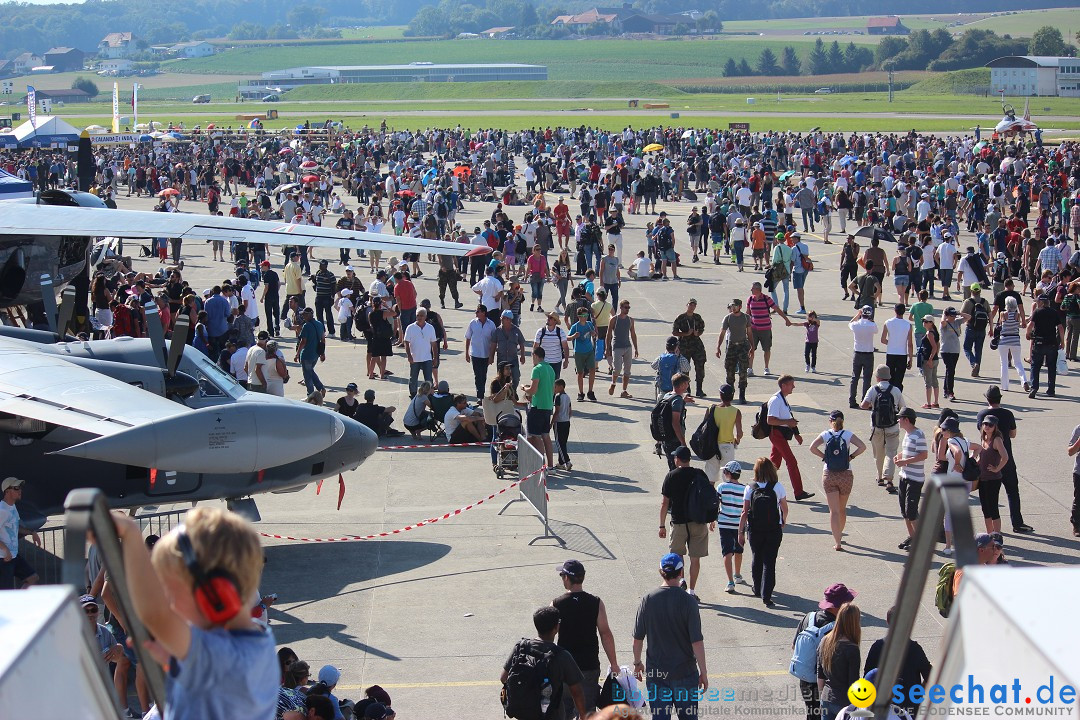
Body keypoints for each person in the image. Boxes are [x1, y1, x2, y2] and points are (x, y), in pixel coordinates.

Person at [111, 507, 278, 719]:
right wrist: (174, 660)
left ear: (215, 592)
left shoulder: (225, 654)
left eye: (171, 593)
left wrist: (131, 535)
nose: (169, 604)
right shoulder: (254, 641)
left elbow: (154, 614)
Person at [631, 553, 708, 720]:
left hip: (657, 675)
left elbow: (638, 639)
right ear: (681, 573)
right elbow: (697, 642)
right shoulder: (689, 601)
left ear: (660, 571)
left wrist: (637, 663)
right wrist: (703, 672)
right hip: (685, 674)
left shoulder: (648, 600)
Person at [552, 560, 619, 717]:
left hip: (565, 668)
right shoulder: (595, 602)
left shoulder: (557, 604)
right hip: (589, 666)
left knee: (564, 711)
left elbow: (550, 634)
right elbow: (605, 634)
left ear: (567, 578)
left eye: (562, 575)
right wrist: (614, 664)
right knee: (587, 712)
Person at [501, 607, 587, 720]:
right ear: (556, 627)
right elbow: (576, 691)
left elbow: (503, 677)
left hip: (524, 714)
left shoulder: (521, 647)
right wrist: (583, 715)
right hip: (552, 715)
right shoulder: (562, 655)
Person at [792, 583, 857, 720]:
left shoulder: (809, 617)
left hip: (805, 679)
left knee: (811, 715)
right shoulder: (836, 630)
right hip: (825, 686)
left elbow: (794, 646)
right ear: (837, 606)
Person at [976, 386, 1032, 533]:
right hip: (1006, 461)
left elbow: (982, 434)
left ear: (987, 399)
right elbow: (1013, 434)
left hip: (988, 463)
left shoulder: (982, 415)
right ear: (1000, 398)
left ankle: (993, 529)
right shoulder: (1008, 414)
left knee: (989, 499)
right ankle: (1017, 523)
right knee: (1012, 492)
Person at [809, 410, 867, 551]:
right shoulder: (847, 434)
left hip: (829, 474)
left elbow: (812, 447)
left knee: (833, 511)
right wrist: (851, 456)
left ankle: (838, 542)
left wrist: (824, 457)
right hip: (846, 474)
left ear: (830, 421)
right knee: (841, 509)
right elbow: (862, 446)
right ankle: (839, 534)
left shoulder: (825, 434)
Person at [659, 446, 711, 599]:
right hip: (698, 522)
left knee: (677, 555)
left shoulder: (671, 476)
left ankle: (681, 580)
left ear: (677, 459)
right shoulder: (699, 474)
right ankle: (692, 591)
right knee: (695, 559)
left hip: (679, 522)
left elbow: (664, 503)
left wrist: (661, 525)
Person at [863, 607, 932, 718]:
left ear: (887, 622)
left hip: (882, 708)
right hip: (910, 707)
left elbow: (867, 678)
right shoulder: (915, 649)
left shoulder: (877, 647)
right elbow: (930, 677)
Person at [739, 457, 788, 607]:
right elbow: (784, 508)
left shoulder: (750, 487)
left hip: (755, 529)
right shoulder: (777, 486)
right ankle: (766, 595)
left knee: (756, 557)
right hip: (773, 529)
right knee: (769, 561)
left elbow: (744, 511)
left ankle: (757, 587)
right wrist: (783, 521)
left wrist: (741, 532)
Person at [767, 375, 813, 501]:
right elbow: (770, 420)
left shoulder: (783, 398)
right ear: (784, 386)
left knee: (774, 463)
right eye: (791, 384)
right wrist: (788, 422)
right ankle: (798, 492)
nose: (794, 386)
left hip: (781, 434)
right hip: (777, 434)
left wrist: (796, 433)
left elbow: (789, 417)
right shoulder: (776, 400)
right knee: (791, 461)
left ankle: (765, 486)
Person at [860, 365, 905, 495]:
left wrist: (873, 407)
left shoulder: (873, 389)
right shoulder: (895, 390)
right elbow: (903, 408)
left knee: (878, 453)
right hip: (893, 427)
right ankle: (889, 480)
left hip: (876, 428)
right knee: (891, 453)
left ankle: (879, 477)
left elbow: (863, 405)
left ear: (878, 377)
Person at [816, 603, 862, 720]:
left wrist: (821, 698)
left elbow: (820, 674)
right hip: (844, 703)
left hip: (826, 698)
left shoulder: (825, 641)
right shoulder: (852, 648)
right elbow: (853, 682)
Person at [891, 408, 928, 551]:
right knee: (904, 511)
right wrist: (900, 456)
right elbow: (908, 451)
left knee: (911, 512)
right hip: (904, 476)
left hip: (915, 478)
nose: (898, 420)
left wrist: (905, 462)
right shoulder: (907, 434)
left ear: (906, 419)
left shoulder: (919, 434)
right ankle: (912, 536)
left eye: (900, 418)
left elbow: (924, 454)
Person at [0, 477, 40, 589]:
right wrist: (5, 549)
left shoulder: (12, 507)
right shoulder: (2, 510)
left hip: (13, 556)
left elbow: (16, 527)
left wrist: (32, 532)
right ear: (7, 491)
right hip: (3, 558)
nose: (20, 491)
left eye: (20, 488)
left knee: (33, 578)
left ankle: (17, 603)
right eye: (16, 488)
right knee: (5, 594)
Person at [971, 415, 1009, 534]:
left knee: (993, 508)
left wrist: (997, 468)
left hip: (993, 479)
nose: (987, 426)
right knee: (985, 509)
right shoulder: (983, 437)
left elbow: (1005, 457)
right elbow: (983, 456)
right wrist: (976, 463)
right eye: (985, 424)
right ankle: (989, 534)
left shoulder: (997, 440)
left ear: (995, 427)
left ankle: (996, 535)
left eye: (990, 425)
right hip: (982, 478)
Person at [746, 282, 792, 378]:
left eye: (752, 288)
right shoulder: (750, 299)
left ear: (758, 289)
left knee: (766, 349)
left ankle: (766, 368)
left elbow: (777, 309)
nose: (751, 290)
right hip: (753, 329)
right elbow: (747, 314)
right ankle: (750, 368)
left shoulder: (767, 299)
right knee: (751, 349)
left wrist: (786, 319)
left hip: (765, 329)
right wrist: (745, 326)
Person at [715, 460, 746, 594]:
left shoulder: (721, 487)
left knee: (727, 552)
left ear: (727, 473)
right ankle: (737, 574)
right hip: (739, 525)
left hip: (724, 524)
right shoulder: (745, 489)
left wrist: (712, 520)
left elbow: (716, 503)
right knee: (739, 550)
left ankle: (730, 582)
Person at [523, 345, 556, 469]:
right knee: (546, 436)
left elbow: (533, 389)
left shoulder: (536, 369)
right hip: (548, 406)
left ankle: (540, 466)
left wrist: (524, 388)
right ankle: (550, 466)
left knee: (536, 437)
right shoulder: (551, 369)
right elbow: (552, 389)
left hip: (537, 406)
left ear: (535, 356)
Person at [1026, 293, 1064, 399]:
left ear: (1041, 302)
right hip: (1052, 343)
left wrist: (1028, 334)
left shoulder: (1037, 312)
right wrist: (1062, 341)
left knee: (1035, 366)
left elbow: (1030, 325)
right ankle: (1051, 390)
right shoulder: (1054, 312)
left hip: (1039, 342)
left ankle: (1034, 387)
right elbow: (1060, 327)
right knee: (1051, 367)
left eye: (1038, 301)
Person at [703, 384, 743, 483]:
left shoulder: (711, 408)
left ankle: (711, 497)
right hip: (727, 446)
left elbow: (704, 427)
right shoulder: (736, 412)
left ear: (720, 395)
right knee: (728, 477)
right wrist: (737, 440)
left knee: (711, 477)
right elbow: (739, 433)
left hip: (712, 445)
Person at [716, 299, 753, 405]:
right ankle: (730, 395)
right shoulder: (728, 318)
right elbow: (722, 333)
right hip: (731, 346)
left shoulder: (746, 317)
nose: (733, 308)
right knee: (730, 372)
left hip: (743, 346)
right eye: (732, 306)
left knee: (743, 372)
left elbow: (749, 332)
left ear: (740, 306)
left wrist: (752, 347)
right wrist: (718, 347)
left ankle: (742, 395)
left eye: (735, 306)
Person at [672, 299, 707, 398]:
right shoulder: (681, 317)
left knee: (700, 367)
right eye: (690, 305)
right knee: (685, 368)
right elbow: (674, 332)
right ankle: (687, 389)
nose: (692, 307)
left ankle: (699, 389)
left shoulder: (697, 317)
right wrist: (685, 334)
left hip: (696, 345)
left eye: (694, 305)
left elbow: (701, 328)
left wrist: (698, 333)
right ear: (687, 305)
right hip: (684, 345)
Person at [658, 373, 693, 470]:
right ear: (682, 385)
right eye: (687, 383)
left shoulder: (668, 395)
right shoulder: (677, 401)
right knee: (676, 468)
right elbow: (675, 422)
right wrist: (682, 441)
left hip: (666, 437)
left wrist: (683, 400)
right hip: (674, 439)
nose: (688, 385)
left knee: (672, 466)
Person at [606, 299, 638, 399]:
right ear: (621, 307)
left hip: (627, 346)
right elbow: (608, 334)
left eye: (628, 308)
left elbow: (633, 334)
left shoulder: (630, 320)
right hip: (617, 347)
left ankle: (624, 391)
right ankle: (613, 383)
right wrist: (608, 348)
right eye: (625, 307)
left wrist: (636, 348)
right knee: (617, 369)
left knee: (627, 370)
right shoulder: (614, 319)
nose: (627, 309)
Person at [996, 295, 1029, 392]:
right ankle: (1024, 381)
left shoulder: (1003, 314)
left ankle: (1005, 386)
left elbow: (999, 325)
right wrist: (1025, 320)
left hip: (1004, 340)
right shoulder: (1017, 315)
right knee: (1018, 362)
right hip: (1015, 340)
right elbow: (1018, 325)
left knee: (1004, 363)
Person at [464, 304, 497, 400]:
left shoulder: (491, 324)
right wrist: (466, 352)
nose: (476, 313)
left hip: (486, 354)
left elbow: (494, 341)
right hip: (475, 354)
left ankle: (481, 393)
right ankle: (480, 396)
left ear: (483, 313)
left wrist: (492, 356)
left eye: (478, 311)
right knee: (478, 375)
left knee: (483, 375)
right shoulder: (473, 323)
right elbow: (468, 338)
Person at [294, 307, 326, 404]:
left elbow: (303, 342)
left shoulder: (306, 326)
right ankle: (320, 389)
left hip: (306, 354)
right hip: (315, 354)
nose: (303, 316)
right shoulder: (320, 324)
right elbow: (323, 339)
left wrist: (297, 354)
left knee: (307, 376)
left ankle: (310, 395)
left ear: (309, 315)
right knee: (310, 372)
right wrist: (322, 353)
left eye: (304, 315)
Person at [403, 307, 438, 397]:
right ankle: (413, 394)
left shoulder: (430, 328)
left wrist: (435, 357)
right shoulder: (410, 328)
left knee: (428, 378)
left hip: (427, 358)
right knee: (413, 378)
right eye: (417, 315)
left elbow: (434, 344)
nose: (419, 317)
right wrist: (409, 355)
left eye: (421, 316)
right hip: (415, 358)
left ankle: (429, 394)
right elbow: (406, 342)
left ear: (425, 316)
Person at [848, 305, 877, 409]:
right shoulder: (872, 325)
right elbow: (876, 330)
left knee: (855, 377)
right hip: (868, 354)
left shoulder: (856, 325)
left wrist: (857, 315)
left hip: (857, 353)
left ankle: (852, 400)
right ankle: (865, 401)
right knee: (867, 379)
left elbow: (850, 323)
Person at [567, 306, 598, 402]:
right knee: (580, 373)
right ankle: (581, 393)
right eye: (583, 315)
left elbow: (594, 334)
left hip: (589, 351)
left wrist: (594, 334)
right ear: (578, 316)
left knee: (592, 370)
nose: (585, 317)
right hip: (579, 352)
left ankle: (590, 391)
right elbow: (567, 337)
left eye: (586, 315)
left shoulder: (589, 324)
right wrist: (573, 336)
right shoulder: (575, 326)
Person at [881, 303, 913, 391]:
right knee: (899, 380)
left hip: (891, 353)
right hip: (902, 355)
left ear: (895, 311)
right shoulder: (908, 325)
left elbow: (883, 340)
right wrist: (910, 358)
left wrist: (891, 343)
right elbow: (910, 344)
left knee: (890, 379)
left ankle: (889, 399)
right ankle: (897, 400)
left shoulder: (888, 323)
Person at [919, 317, 941, 409]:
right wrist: (935, 357)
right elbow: (938, 345)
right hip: (935, 359)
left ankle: (928, 403)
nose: (924, 323)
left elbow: (934, 347)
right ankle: (935, 402)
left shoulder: (929, 333)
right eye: (923, 321)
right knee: (934, 381)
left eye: (926, 321)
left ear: (931, 323)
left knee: (928, 382)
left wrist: (930, 359)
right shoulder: (935, 332)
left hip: (929, 359)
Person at [552, 378, 573, 471]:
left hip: (559, 422)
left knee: (559, 442)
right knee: (563, 442)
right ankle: (560, 462)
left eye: (555, 387)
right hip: (567, 422)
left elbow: (556, 411)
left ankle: (567, 461)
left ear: (561, 387)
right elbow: (570, 410)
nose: (554, 389)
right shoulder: (567, 397)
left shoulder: (558, 397)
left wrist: (552, 422)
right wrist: (567, 418)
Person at [1068, 422, 1080, 537]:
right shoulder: (1078, 429)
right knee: (1079, 500)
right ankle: (1077, 525)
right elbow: (1070, 452)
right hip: (1079, 472)